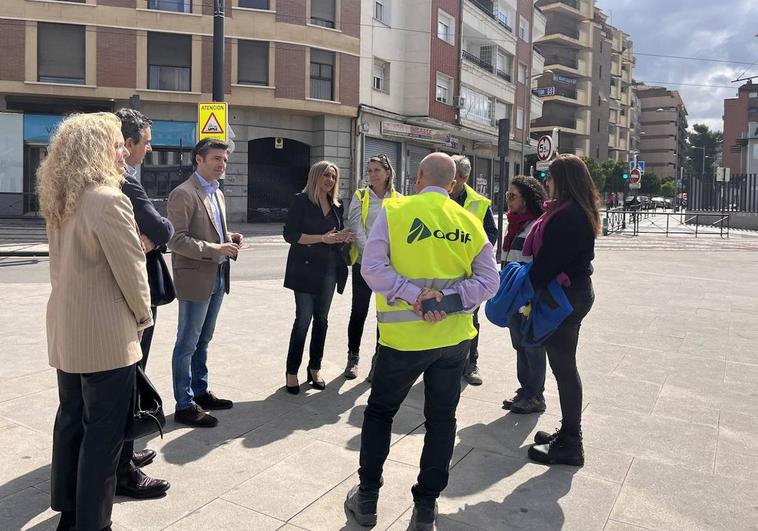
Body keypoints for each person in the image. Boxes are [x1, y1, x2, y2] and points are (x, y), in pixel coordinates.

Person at [345, 153, 499, 530]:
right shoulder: (469, 220)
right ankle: (426, 508)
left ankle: (367, 500)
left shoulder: (395, 212)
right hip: (452, 341)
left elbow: (373, 268)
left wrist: (413, 294)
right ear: (452, 184)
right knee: (442, 421)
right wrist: (447, 301)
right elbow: (489, 282)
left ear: (417, 178)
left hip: (402, 339)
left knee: (380, 413)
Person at [38, 112, 153, 531]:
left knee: (71, 424)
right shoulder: (109, 199)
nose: (124, 151)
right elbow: (132, 270)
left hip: (67, 333)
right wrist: (143, 316)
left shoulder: (60, 199)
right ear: (97, 149)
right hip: (105, 337)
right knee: (103, 439)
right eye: (117, 143)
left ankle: (69, 514)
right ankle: (93, 524)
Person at [525, 154, 600, 467]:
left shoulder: (569, 217)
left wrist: (523, 289)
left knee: (564, 368)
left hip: (565, 297)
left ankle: (571, 442)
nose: (547, 182)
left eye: (551, 177)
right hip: (574, 293)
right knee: (564, 366)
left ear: (563, 180)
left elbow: (547, 264)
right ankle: (568, 432)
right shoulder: (574, 210)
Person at [114, 108, 172, 499]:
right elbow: (163, 226)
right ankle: (123, 468)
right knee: (129, 382)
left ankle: (126, 453)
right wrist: (153, 237)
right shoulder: (124, 184)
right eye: (145, 142)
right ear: (126, 143)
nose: (149, 149)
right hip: (129, 301)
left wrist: (152, 238)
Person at [167, 138, 243, 427]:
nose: (222, 164)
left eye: (224, 159)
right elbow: (176, 239)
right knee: (187, 342)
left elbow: (212, 231)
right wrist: (215, 249)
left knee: (204, 340)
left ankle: (200, 391)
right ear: (198, 159)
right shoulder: (183, 194)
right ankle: (184, 404)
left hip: (217, 277)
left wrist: (229, 238)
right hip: (195, 279)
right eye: (216, 159)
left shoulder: (217, 193)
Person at [283, 161, 354, 394]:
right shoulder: (301, 200)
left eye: (333, 176)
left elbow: (334, 234)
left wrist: (342, 237)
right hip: (304, 268)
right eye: (325, 175)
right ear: (315, 176)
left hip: (329, 269)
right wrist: (321, 238)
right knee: (303, 319)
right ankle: (291, 371)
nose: (329, 180)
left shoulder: (337, 204)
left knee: (321, 320)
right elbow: (290, 235)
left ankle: (315, 368)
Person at [344, 154, 400, 380]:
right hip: (364, 265)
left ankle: (379, 361)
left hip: (389, 267)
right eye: (369, 171)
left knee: (383, 315)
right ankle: (353, 358)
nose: (372, 174)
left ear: (388, 173)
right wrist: (373, 257)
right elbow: (357, 229)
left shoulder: (399, 199)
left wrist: (385, 260)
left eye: (377, 170)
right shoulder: (361, 195)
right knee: (359, 312)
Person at [500, 176, 549, 415]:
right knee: (519, 344)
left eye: (513, 196)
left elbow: (536, 262)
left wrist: (529, 294)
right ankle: (525, 390)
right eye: (507, 195)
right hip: (512, 295)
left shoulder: (535, 226)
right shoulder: (514, 224)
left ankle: (535, 395)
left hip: (527, 296)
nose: (508, 200)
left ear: (527, 199)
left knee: (532, 345)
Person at [449, 155, 498, 386]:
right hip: (440, 269)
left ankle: (470, 363)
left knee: (471, 318)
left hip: (468, 272)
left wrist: (471, 255)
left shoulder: (479, 202)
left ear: (462, 177)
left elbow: (491, 234)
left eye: (454, 175)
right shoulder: (437, 195)